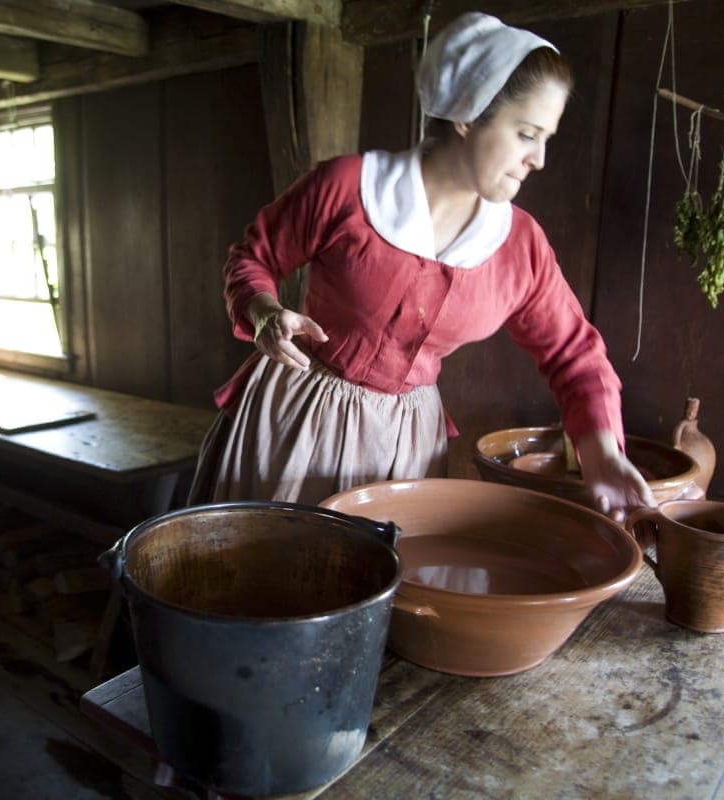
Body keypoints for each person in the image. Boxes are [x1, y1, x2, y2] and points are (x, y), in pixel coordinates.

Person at [190, 11, 655, 520]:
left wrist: (603, 456)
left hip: (408, 445)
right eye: (526, 133)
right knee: (271, 578)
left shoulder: (518, 245)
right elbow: (253, 257)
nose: (539, 159)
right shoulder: (348, 189)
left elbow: (575, 355)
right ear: (467, 114)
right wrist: (264, 313)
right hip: (300, 424)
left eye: (547, 138)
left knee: (385, 587)